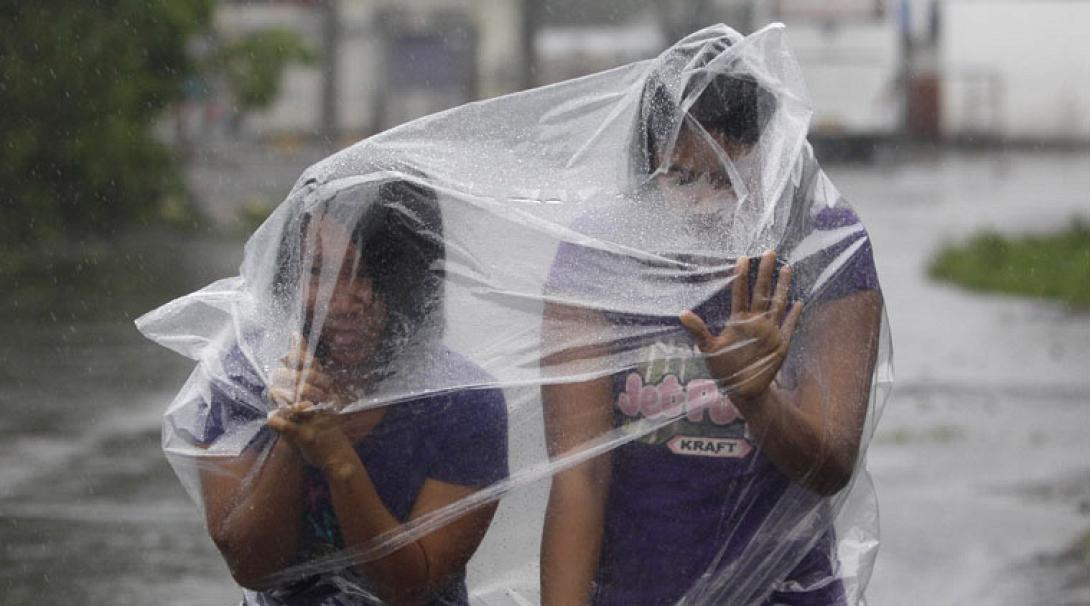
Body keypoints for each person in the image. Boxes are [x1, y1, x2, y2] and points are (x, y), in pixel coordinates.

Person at [538, 45, 884, 605]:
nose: (701, 205)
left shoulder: (824, 249)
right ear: (648, 169)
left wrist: (756, 399)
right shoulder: (600, 256)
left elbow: (830, 467)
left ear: (770, 170)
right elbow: (580, 481)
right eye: (680, 177)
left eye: (726, 182)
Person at [169, 177, 509, 605]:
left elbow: (411, 588)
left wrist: (338, 460)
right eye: (319, 272)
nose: (344, 300)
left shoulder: (464, 404)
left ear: (413, 280)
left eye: (368, 275)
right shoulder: (245, 377)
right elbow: (252, 565)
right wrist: (293, 434)